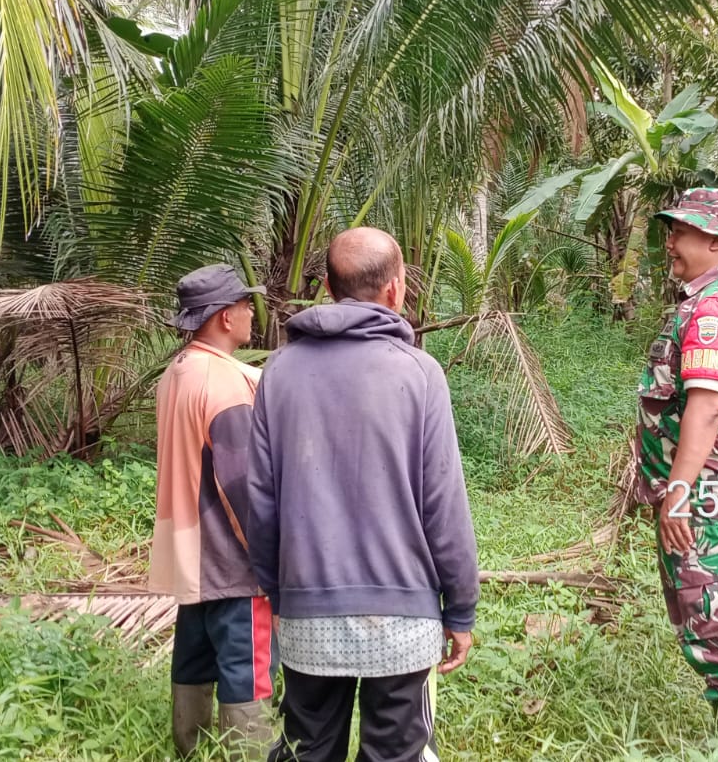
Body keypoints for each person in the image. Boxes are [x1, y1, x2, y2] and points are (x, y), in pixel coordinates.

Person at [244, 227, 479, 762]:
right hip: (403, 619)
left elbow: (260, 501)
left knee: (308, 750)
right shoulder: (420, 373)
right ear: (396, 290)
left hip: (307, 612)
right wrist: (460, 609)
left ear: (327, 286)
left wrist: (280, 594)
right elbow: (443, 503)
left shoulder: (278, 372)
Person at [633, 188, 718, 724]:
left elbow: (708, 409)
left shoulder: (714, 307)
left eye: (680, 232)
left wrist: (678, 493)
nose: (669, 242)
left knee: (712, 611)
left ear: (714, 237)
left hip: (707, 491)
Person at [150, 263, 276, 758]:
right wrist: (269, 559)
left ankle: (191, 746)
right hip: (231, 557)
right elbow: (241, 484)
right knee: (248, 663)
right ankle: (251, 752)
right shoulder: (224, 384)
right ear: (225, 317)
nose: (251, 312)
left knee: (195, 655)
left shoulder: (176, 373)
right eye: (245, 305)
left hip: (188, 551)